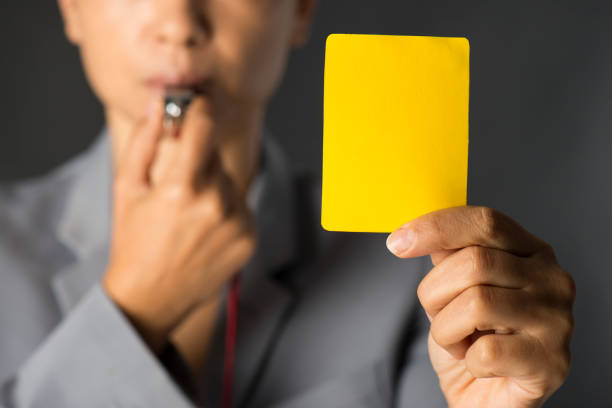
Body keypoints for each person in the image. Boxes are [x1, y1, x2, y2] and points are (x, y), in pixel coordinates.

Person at [0, 0, 575, 407]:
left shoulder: (419, 266)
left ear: (301, 8)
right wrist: (133, 310)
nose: (179, 23)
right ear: (70, 7)